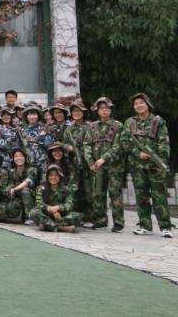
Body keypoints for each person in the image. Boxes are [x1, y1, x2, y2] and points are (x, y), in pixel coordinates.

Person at [123, 92, 172, 237]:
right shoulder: (130, 122)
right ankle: (145, 226)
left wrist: (161, 162)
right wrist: (137, 153)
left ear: (147, 104)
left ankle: (165, 227)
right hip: (137, 166)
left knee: (159, 197)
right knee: (141, 196)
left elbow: (164, 143)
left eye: (141, 103)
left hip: (155, 166)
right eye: (136, 104)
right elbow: (124, 141)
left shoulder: (158, 121)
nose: (139, 105)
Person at [83, 96, 126, 232]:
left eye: (107, 108)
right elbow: (87, 145)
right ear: (97, 111)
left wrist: (104, 159)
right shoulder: (92, 126)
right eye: (101, 108)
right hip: (97, 166)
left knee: (115, 193)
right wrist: (90, 162)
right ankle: (100, 221)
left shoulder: (118, 125)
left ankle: (118, 223)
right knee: (98, 194)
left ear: (111, 110)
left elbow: (118, 146)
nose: (104, 110)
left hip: (114, 165)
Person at [29, 164, 81, 233]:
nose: (53, 177)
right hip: (46, 215)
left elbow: (70, 205)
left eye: (56, 175)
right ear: (47, 176)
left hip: (60, 216)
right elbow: (39, 203)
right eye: (50, 175)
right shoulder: (41, 188)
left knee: (78, 216)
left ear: (60, 177)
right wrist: (49, 208)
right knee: (33, 213)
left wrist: (59, 208)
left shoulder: (66, 189)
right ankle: (61, 228)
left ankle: (47, 225)